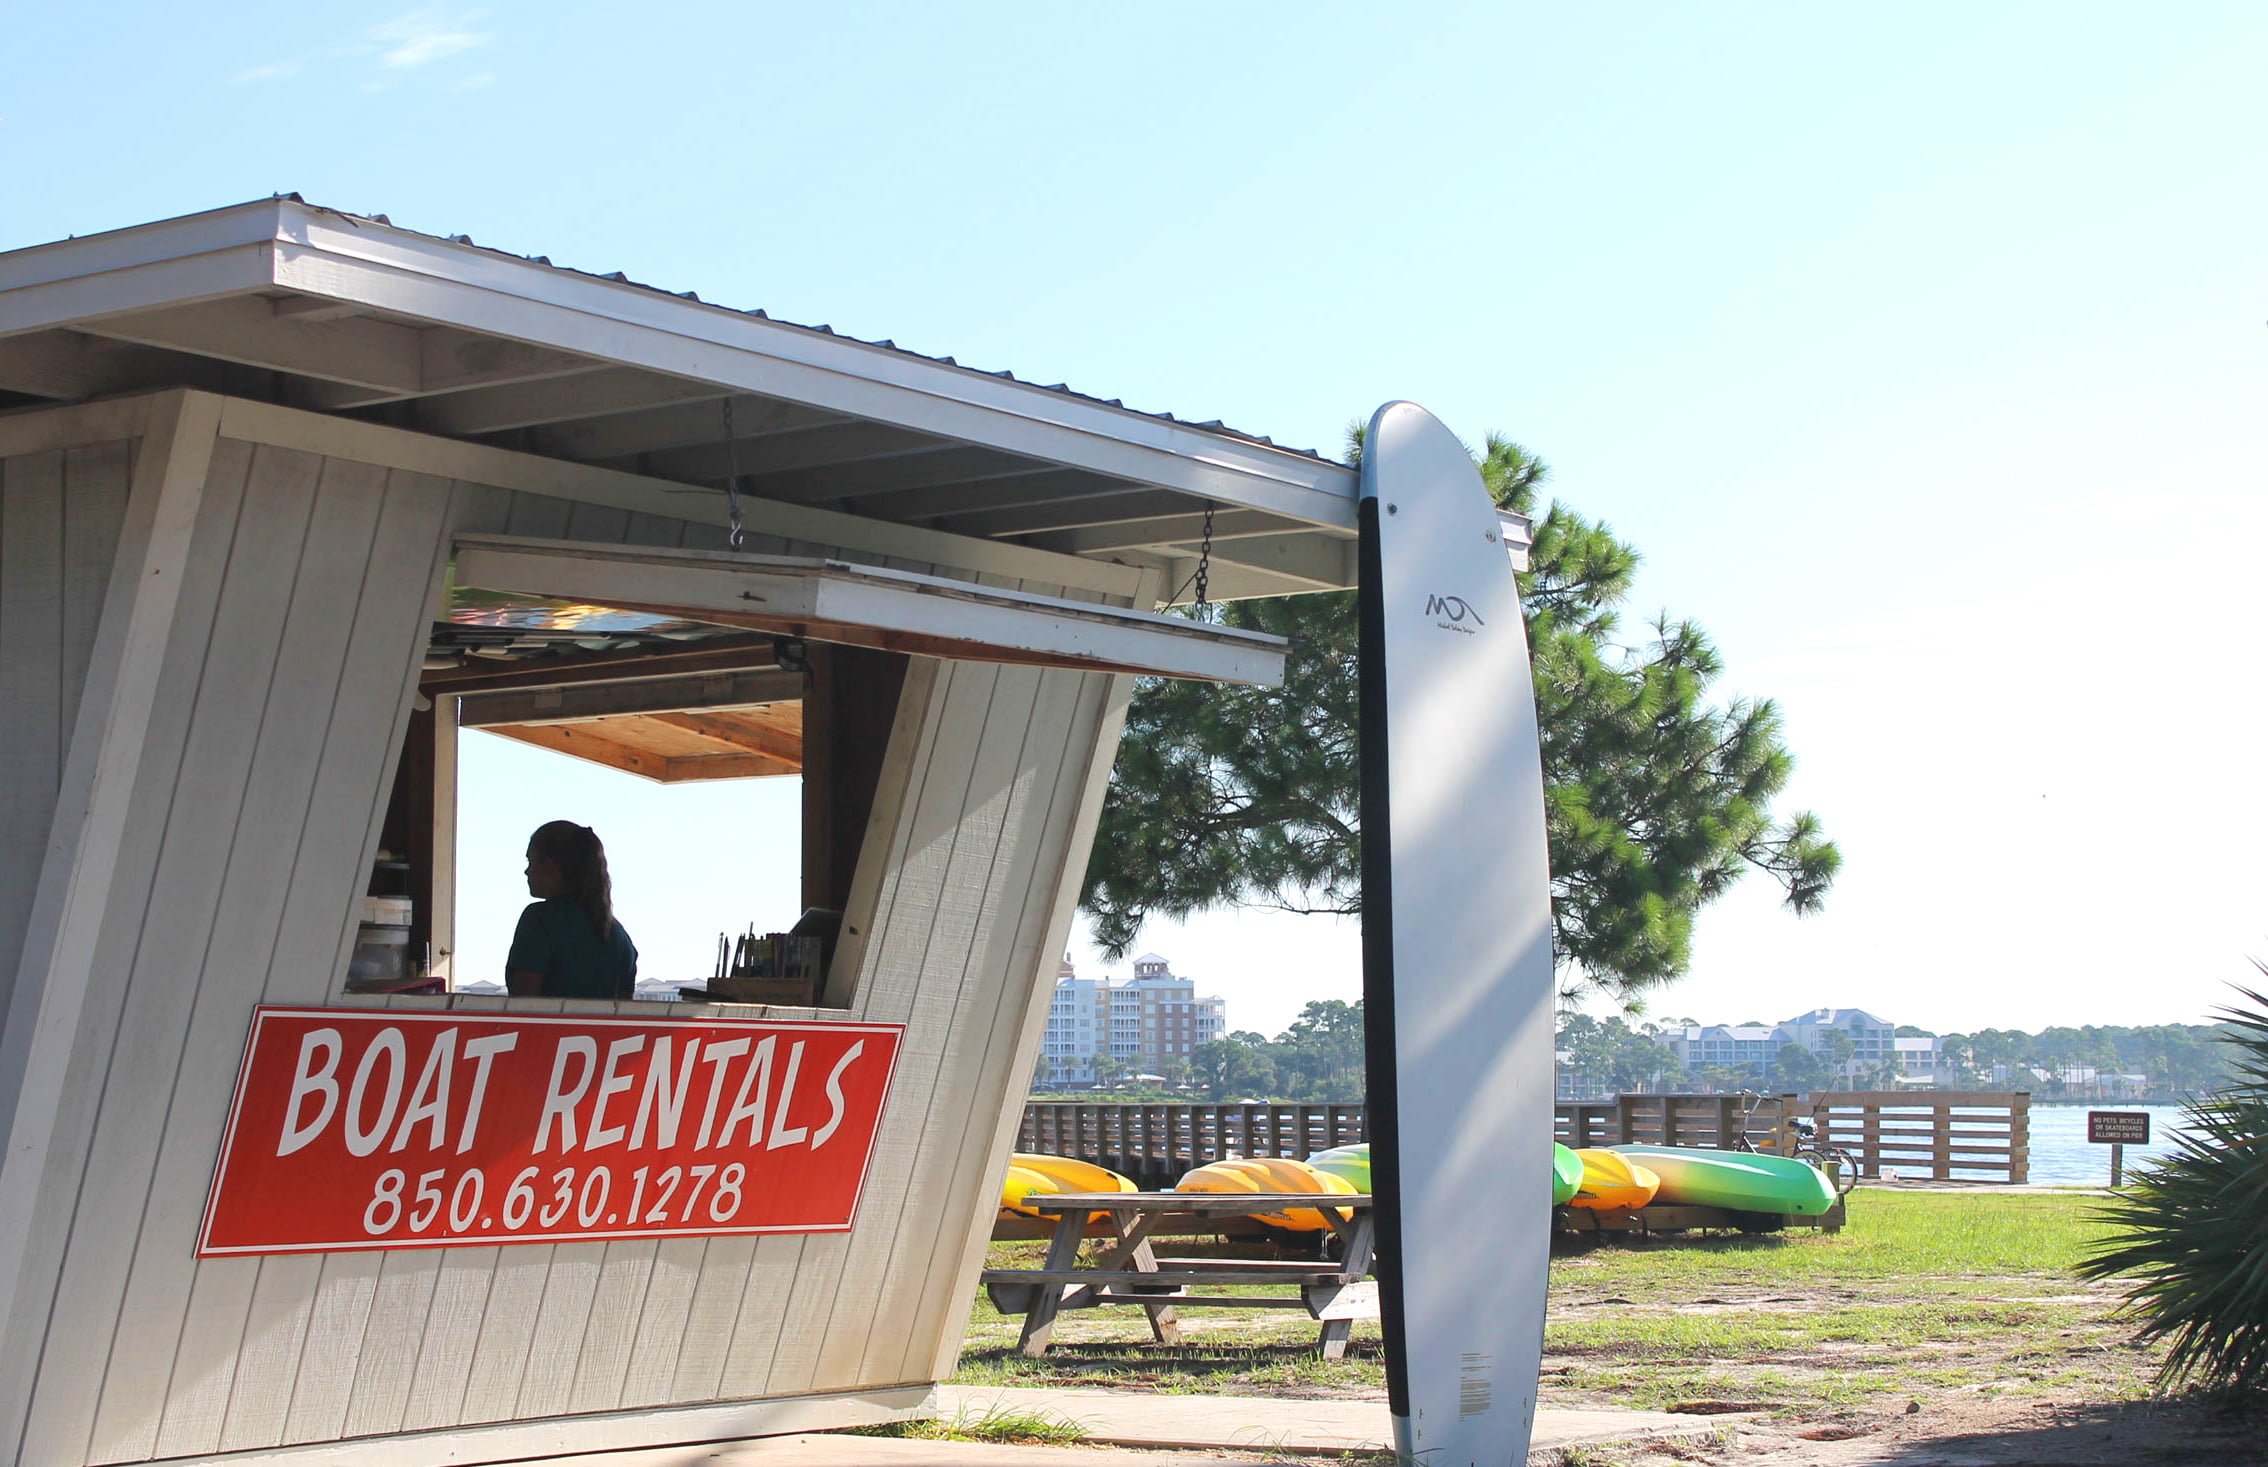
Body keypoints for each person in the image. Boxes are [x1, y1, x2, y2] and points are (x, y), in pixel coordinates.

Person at [507, 821, 638, 998]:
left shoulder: (539, 920)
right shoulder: (617, 934)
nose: (527, 871)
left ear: (549, 865)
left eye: (531, 861)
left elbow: (523, 1005)